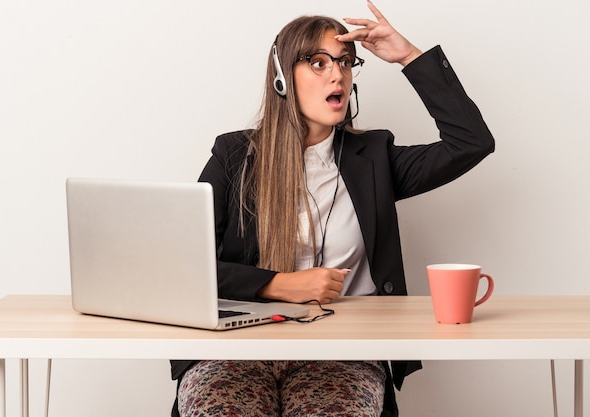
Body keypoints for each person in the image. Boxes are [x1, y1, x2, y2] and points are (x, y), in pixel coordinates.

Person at [171, 1, 494, 416]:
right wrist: (279, 285)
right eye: (318, 62)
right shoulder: (236, 155)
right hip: (236, 348)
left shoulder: (375, 158)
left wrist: (408, 57)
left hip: (344, 350)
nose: (337, 73)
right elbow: (185, 265)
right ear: (283, 78)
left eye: (344, 62)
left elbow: (471, 143)